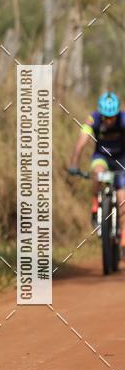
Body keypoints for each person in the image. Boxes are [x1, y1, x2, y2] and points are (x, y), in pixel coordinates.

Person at [68, 90, 125, 253]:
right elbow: (81, 143)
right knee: (98, 173)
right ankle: (95, 203)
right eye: (106, 117)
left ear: (117, 113)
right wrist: (74, 163)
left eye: (112, 116)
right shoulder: (93, 119)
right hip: (102, 157)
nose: (108, 120)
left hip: (121, 160)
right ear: (101, 114)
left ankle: (123, 240)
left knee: (122, 200)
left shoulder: (123, 119)